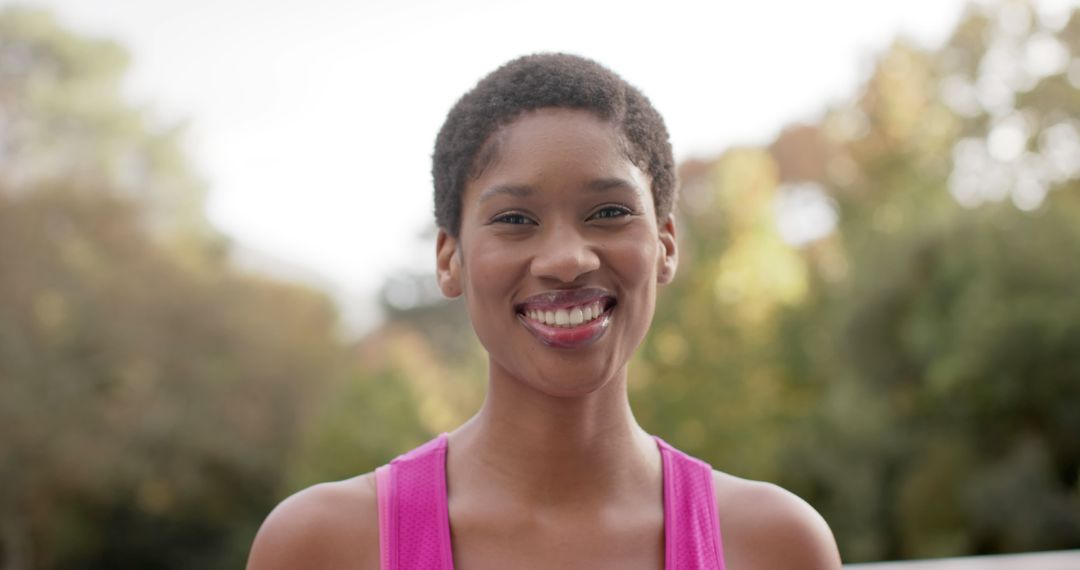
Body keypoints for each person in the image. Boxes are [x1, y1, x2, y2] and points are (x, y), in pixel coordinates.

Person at [247, 53, 841, 570]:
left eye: (608, 212)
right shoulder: (321, 545)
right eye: (514, 220)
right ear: (450, 258)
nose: (565, 260)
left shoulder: (776, 546)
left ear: (665, 244)